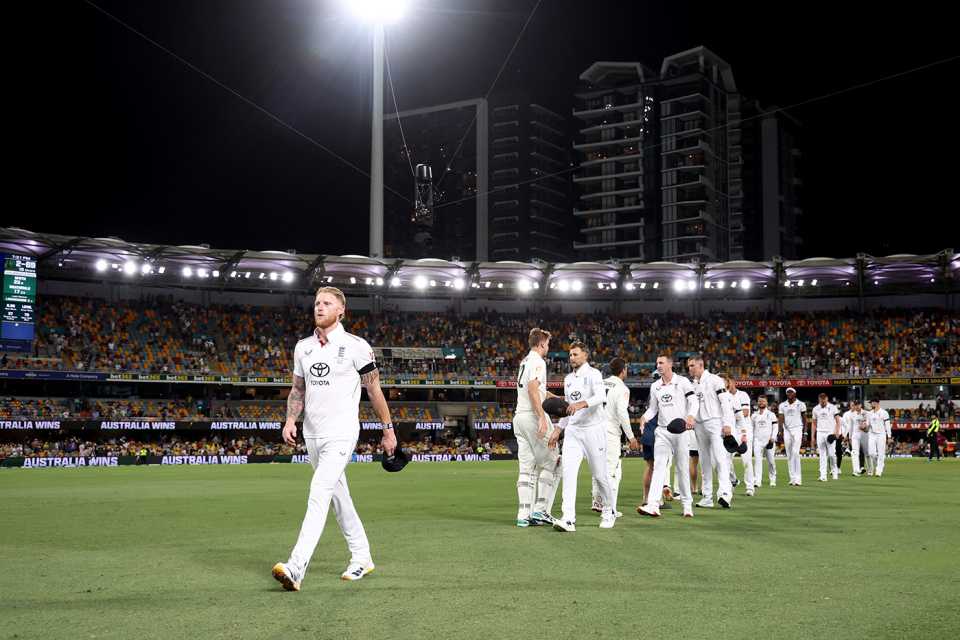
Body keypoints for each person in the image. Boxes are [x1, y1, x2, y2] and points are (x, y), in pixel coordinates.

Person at [272, 287, 396, 592]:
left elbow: (374, 390)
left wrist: (388, 428)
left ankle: (296, 566)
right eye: (316, 303)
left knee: (319, 490)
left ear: (341, 311)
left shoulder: (356, 346)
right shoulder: (303, 347)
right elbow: (298, 389)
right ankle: (362, 557)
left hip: (341, 433)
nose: (319, 307)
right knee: (339, 498)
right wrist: (290, 419)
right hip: (313, 434)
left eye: (327, 303)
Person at [547, 342, 615, 531]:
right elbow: (568, 407)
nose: (572, 358)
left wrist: (582, 404)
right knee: (568, 474)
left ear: (585, 355)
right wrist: (558, 429)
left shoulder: (594, 374)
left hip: (594, 430)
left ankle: (609, 510)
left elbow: (601, 396)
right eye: (570, 355)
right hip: (574, 432)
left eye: (575, 354)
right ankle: (568, 518)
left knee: (600, 475)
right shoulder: (568, 379)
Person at [637, 354, 698, 518]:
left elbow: (694, 401)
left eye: (661, 362)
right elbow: (653, 409)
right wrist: (644, 417)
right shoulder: (655, 386)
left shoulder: (683, 382)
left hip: (681, 431)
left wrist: (691, 416)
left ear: (670, 364)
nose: (658, 365)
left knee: (681, 468)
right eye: (657, 363)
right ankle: (653, 505)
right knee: (658, 467)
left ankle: (687, 505)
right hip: (662, 432)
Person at [512, 328, 561, 527]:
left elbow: (538, 390)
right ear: (541, 344)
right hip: (532, 417)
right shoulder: (539, 362)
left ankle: (523, 515)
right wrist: (541, 417)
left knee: (527, 467)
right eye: (547, 344)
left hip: (519, 417)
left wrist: (558, 400)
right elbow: (533, 388)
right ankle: (541, 510)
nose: (548, 347)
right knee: (554, 461)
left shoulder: (525, 361)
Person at [591, 358, 638, 517]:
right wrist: (631, 437)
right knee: (612, 471)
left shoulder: (600, 383)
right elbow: (622, 413)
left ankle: (597, 501)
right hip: (610, 433)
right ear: (623, 370)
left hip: (595, 431)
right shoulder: (622, 388)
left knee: (598, 468)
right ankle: (609, 508)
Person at [686, 356, 736, 509]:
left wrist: (727, 423)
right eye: (688, 366)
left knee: (720, 459)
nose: (689, 368)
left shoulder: (715, 380)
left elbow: (725, 403)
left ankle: (725, 494)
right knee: (704, 462)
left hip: (715, 423)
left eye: (692, 365)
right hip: (699, 425)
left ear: (701, 365)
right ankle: (707, 497)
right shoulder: (693, 385)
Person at [727, 378, 753, 495]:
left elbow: (745, 413)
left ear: (733, 382)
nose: (727, 384)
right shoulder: (723, 396)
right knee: (726, 461)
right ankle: (732, 481)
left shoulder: (743, 395)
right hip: (730, 432)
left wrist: (729, 412)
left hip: (744, 430)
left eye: (729, 382)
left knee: (746, 461)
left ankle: (750, 487)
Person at [777, 387, 807, 486]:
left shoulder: (801, 404)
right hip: (787, 430)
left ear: (795, 393)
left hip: (798, 429)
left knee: (795, 453)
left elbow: (805, 419)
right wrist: (780, 432)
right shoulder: (782, 405)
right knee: (789, 455)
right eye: (788, 392)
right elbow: (781, 419)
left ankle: (798, 479)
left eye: (791, 392)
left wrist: (805, 432)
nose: (789, 393)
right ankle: (792, 478)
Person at [811, 393, 841, 481]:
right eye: (821, 400)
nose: (823, 402)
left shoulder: (833, 407)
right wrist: (813, 436)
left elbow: (838, 421)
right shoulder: (815, 409)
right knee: (822, 455)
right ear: (819, 400)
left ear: (827, 399)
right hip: (820, 433)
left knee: (832, 454)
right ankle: (823, 475)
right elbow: (813, 423)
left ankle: (834, 471)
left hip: (830, 433)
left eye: (824, 400)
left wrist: (836, 433)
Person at [751, 395, 778, 489]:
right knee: (757, 461)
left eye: (763, 401)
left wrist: (773, 438)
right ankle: (757, 481)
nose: (761, 403)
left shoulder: (771, 414)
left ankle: (773, 479)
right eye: (759, 401)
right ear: (757, 403)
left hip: (768, 441)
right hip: (757, 441)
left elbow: (775, 427)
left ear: (766, 403)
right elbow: (751, 428)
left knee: (771, 461)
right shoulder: (754, 415)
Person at [842, 400, 868, 476]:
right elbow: (850, 427)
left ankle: (869, 469)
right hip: (855, 435)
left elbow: (868, 424)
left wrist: (865, 427)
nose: (856, 406)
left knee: (868, 453)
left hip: (864, 435)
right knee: (854, 453)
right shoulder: (852, 415)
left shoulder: (866, 413)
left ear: (861, 405)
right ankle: (855, 470)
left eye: (858, 405)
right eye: (855, 405)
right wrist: (849, 437)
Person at [866, 398, 891, 477]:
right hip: (872, 434)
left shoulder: (884, 413)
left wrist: (889, 436)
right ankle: (879, 464)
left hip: (881, 434)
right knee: (871, 453)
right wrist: (864, 427)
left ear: (876, 403)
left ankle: (879, 470)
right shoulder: (869, 413)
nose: (870, 404)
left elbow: (887, 425)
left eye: (871, 403)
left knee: (881, 453)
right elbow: (867, 425)